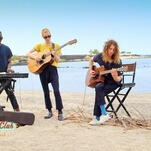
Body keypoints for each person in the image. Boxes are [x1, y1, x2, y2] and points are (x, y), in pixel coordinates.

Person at [26, 28, 64, 121]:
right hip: (43, 70)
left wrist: (54, 54)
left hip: (53, 69)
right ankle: (49, 111)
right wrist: (35, 57)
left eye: (49, 36)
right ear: (43, 37)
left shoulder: (56, 46)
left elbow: (58, 60)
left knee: (56, 90)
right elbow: (27, 53)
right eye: (45, 37)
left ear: (51, 36)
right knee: (46, 92)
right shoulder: (39, 45)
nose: (47, 38)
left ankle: (60, 111)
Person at [88, 39, 122, 125]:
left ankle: (97, 117)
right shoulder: (100, 56)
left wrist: (115, 76)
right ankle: (103, 114)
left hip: (113, 82)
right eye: (110, 49)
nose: (111, 51)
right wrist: (91, 70)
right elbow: (91, 60)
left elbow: (119, 79)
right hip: (103, 79)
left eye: (114, 49)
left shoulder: (117, 62)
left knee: (99, 92)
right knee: (98, 87)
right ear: (106, 48)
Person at [0, 31, 20, 111]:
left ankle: (17, 110)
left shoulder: (6, 49)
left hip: (5, 74)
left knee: (10, 93)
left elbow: (9, 62)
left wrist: (8, 69)